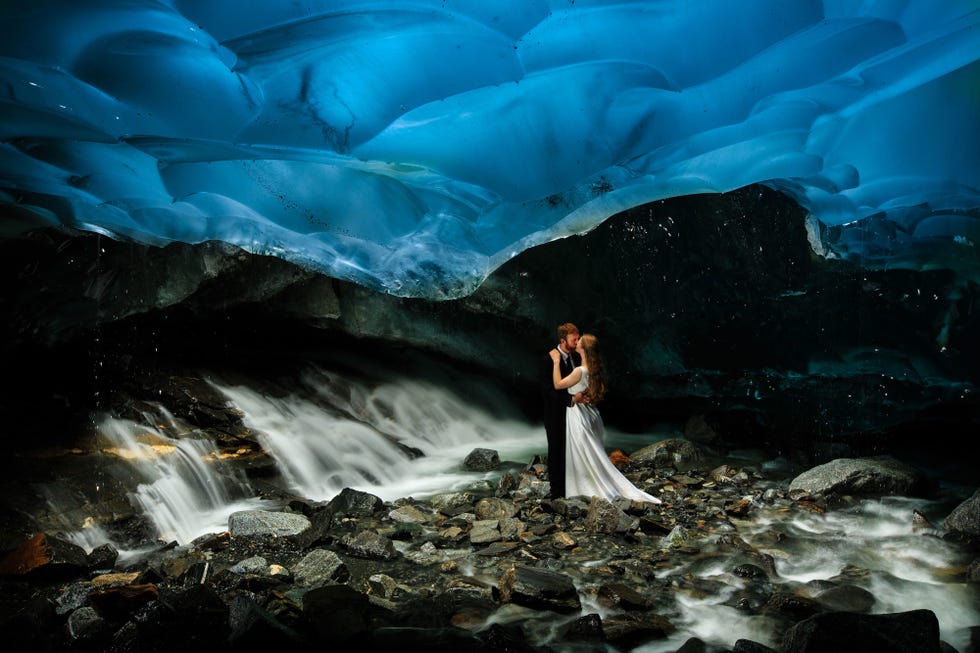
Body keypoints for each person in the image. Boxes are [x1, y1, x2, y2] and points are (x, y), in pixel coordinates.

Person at [550, 333, 661, 503]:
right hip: (592, 415)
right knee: (593, 455)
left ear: (583, 349)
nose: (576, 342)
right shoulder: (594, 371)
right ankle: (592, 486)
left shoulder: (580, 371)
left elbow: (558, 385)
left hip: (579, 416)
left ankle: (586, 489)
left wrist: (556, 362)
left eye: (579, 341)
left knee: (584, 455)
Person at [542, 323, 582, 498]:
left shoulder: (576, 358)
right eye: (574, 339)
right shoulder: (549, 359)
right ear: (563, 340)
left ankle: (573, 486)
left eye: (578, 338)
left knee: (573, 449)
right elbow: (547, 390)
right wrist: (571, 400)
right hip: (555, 414)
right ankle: (556, 491)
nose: (578, 342)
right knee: (557, 450)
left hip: (575, 413)